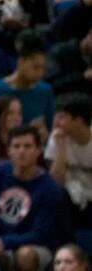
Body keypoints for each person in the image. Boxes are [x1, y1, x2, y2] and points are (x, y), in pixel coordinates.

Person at [0, 126, 63, 271]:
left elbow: (40, 234)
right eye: (16, 146)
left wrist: (6, 242)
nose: (21, 151)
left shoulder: (49, 188)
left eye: (27, 146)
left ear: (39, 151)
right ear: (8, 151)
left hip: (35, 245)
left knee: (25, 255)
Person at [0, 31, 55, 129]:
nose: (40, 74)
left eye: (43, 68)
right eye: (36, 67)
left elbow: (50, 128)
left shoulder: (45, 91)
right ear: (21, 62)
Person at [46, 93, 92, 237]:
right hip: (70, 198)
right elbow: (55, 181)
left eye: (61, 117)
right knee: (55, 195)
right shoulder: (57, 138)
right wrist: (61, 147)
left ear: (78, 121)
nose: (56, 123)